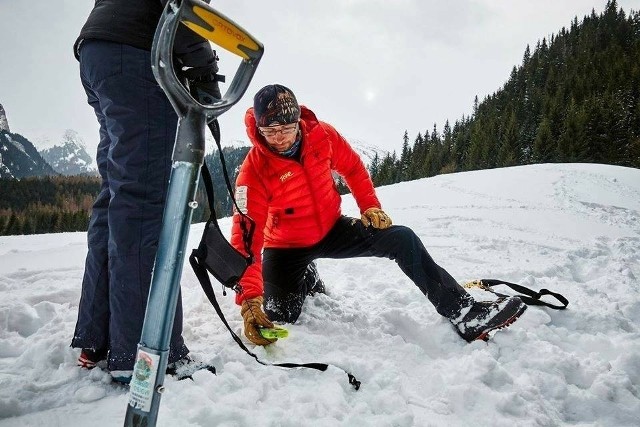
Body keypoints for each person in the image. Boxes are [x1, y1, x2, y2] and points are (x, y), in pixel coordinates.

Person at [231, 84, 527, 346]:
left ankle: (465, 313)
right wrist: (249, 300)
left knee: (401, 239)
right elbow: (246, 239)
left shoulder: (323, 136)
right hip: (286, 248)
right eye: (270, 132)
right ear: (258, 128)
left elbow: (354, 169)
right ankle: (305, 272)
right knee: (282, 316)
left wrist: (369, 206)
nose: (279, 138)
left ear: (299, 122)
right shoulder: (253, 171)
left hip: (331, 230)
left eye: (286, 128)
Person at [70, 1, 221, 383]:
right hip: (136, 54)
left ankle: (99, 337)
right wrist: (203, 65)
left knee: (116, 195)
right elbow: (182, 5)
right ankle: (146, 351)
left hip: (98, 53)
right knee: (142, 204)